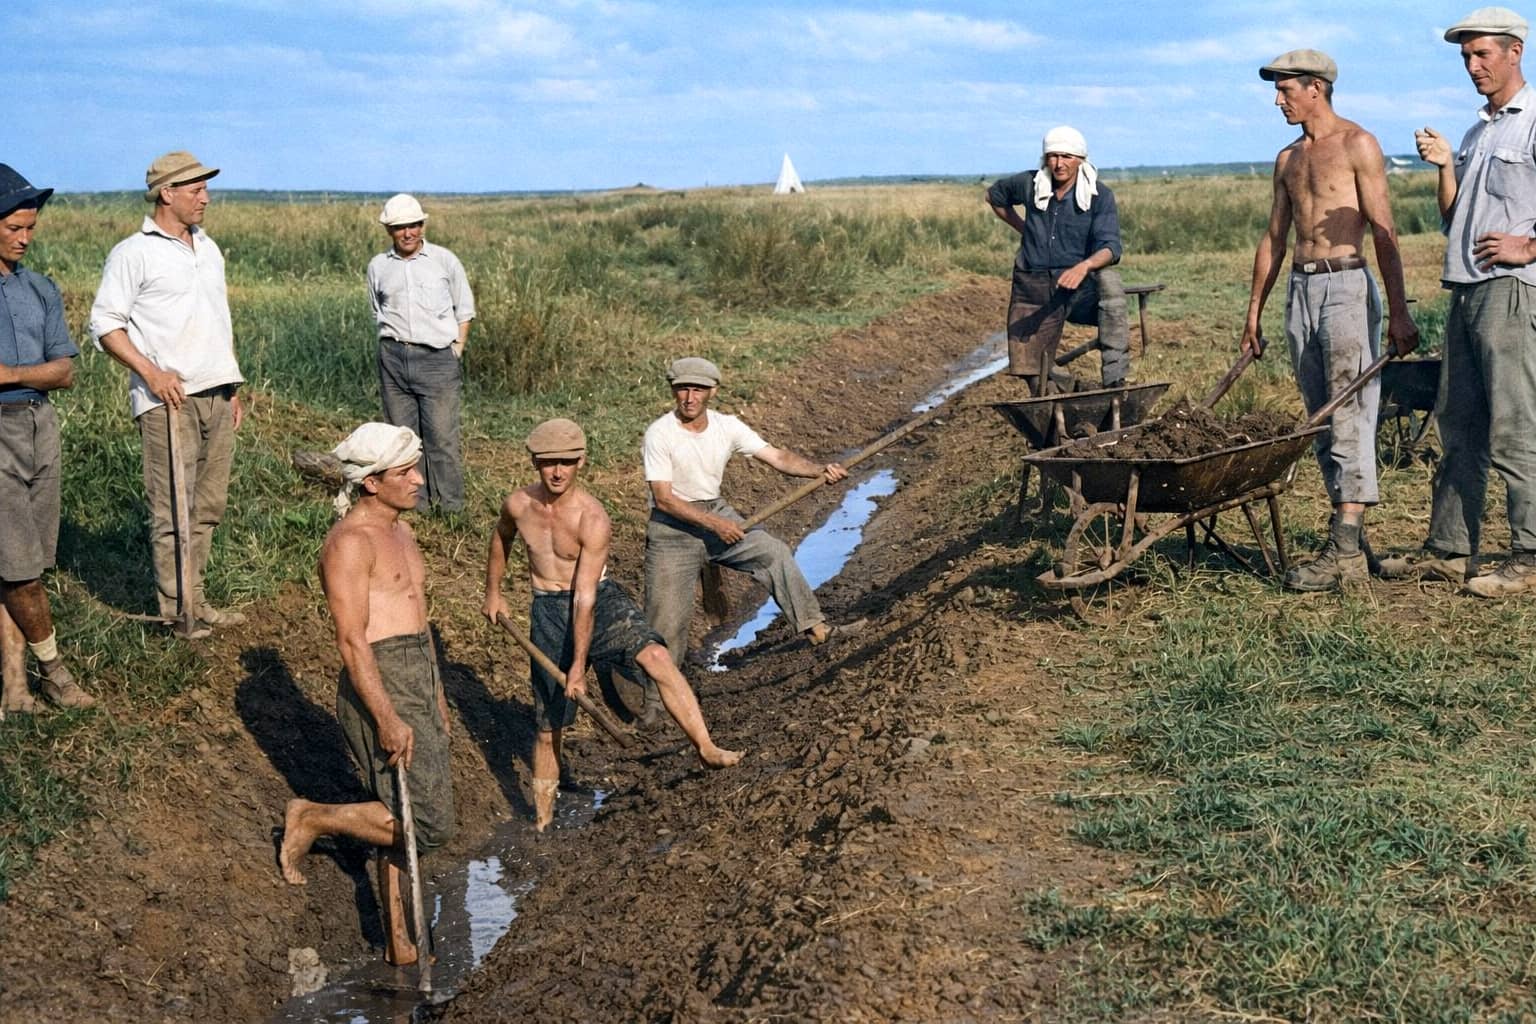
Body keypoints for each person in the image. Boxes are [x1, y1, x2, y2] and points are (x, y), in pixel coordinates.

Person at [483, 418, 742, 831]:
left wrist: (577, 667)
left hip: (598, 602)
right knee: (550, 724)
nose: (556, 472)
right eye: (548, 462)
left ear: (581, 462)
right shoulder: (517, 505)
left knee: (656, 655)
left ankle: (706, 747)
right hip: (546, 609)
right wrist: (493, 593)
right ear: (534, 461)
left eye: (566, 463)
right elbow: (502, 538)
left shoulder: (592, 517)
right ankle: (543, 820)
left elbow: (585, 598)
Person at [1239, 49, 1420, 591]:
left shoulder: (1358, 144)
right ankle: (1352, 540)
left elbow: (1384, 230)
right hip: (1300, 288)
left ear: (1315, 87)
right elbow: (1274, 238)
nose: (1278, 100)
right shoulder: (1287, 159)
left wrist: (1401, 311)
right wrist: (1254, 314)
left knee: (1352, 413)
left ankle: (1342, 550)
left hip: (1346, 283)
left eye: (1285, 90)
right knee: (1320, 417)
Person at [279, 423, 455, 966]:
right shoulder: (349, 544)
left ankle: (400, 943)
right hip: (380, 679)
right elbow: (352, 640)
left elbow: (419, 620)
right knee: (426, 823)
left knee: (404, 810)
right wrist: (385, 715)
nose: (418, 480)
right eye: (406, 473)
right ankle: (312, 817)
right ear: (372, 482)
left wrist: (438, 696)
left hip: (417, 675)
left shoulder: (400, 530)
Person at [1384, 7, 1536, 597]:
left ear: (1515, 51)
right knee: (1459, 424)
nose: (1473, 67)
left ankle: (1527, 555)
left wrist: (1529, 244)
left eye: (1483, 55)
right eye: (1466, 57)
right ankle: (1449, 549)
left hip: (1512, 295)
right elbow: (1454, 219)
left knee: (1515, 427)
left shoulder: (1531, 122)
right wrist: (1446, 166)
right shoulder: (1478, 132)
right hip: (1467, 291)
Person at [88, 151, 245, 638]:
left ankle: (195, 600)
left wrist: (232, 385)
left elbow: (218, 321)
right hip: (169, 402)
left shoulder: (209, 248)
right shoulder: (133, 253)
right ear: (166, 194)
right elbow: (105, 324)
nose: (206, 197)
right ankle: (178, 613)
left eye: (205, 188)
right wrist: (151, 373)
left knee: (208, 506)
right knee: (172, 510)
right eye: (196, 189)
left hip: (217, 394)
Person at [642, 357, 865, 671]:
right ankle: (656, 702)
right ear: (673, 391)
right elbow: (664, 499)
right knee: (665, 624)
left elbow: (777, 456)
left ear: (713, 391)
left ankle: (817, 629)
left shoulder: (727, 426)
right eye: (683, 389)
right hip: (671, 531)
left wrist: (819, 470)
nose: (690, 398)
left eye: (698, 389)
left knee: (774, 553)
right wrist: (716, 524)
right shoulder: (660, 433)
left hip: (714, 510)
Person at [0, 165, 92, 712]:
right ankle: (54, 673)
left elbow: (65, 371)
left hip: (41, 427)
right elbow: (51, 367)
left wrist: (9, 374)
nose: (26, 238)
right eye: (15, 227)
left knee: (19, 565)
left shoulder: (40, 288)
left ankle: (12, 690)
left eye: (31, 228)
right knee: (19, 567)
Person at [986, 126, 1132, 393]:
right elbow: (994, 196)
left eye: (1066, 156)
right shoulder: (1029, 184)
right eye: (1052, 156)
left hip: (1078, 288)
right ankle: (1071, 391)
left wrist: (1084, 266)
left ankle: (1115, 380)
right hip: (1033, 285)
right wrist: (1023, 227)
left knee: (1110, 282)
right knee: (1029, 367)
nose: (1059, 164)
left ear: (1080, 159)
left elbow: (1111, 247)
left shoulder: (1099, 195)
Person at [366, 194, 475, 513]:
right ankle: (417, 506)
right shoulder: (378, 266)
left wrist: (457, 349)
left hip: (437, 360)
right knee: (405, 440)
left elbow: (464, 309)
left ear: (423, 225)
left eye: (414, 225)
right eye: (400, 228)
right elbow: (378, 311)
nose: (408, 233)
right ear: (389, 230)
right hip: (394, 360)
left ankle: (451, 508)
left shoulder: (444, 261)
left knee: (442, 439)